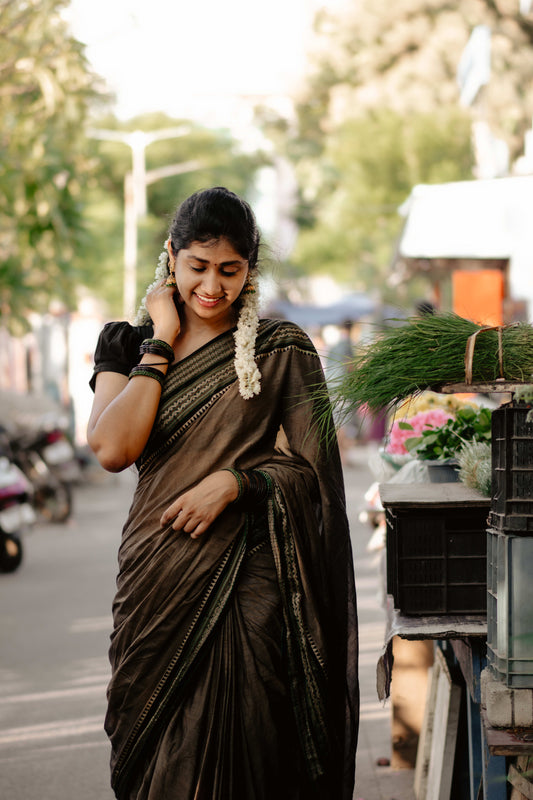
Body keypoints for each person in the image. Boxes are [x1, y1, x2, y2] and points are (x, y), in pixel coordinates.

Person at [87, 187, 359, 800]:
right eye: (198, 267)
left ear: (249, 271)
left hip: (249, 579)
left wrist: (238, 482)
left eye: (230, 271)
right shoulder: (124, 344)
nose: (213, 286)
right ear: (171, 258)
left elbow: (317, 478)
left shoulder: (280, 348)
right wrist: (159, 340)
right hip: (156, 573)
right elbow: (112, 450)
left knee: (253, 739)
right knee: (153, 745)